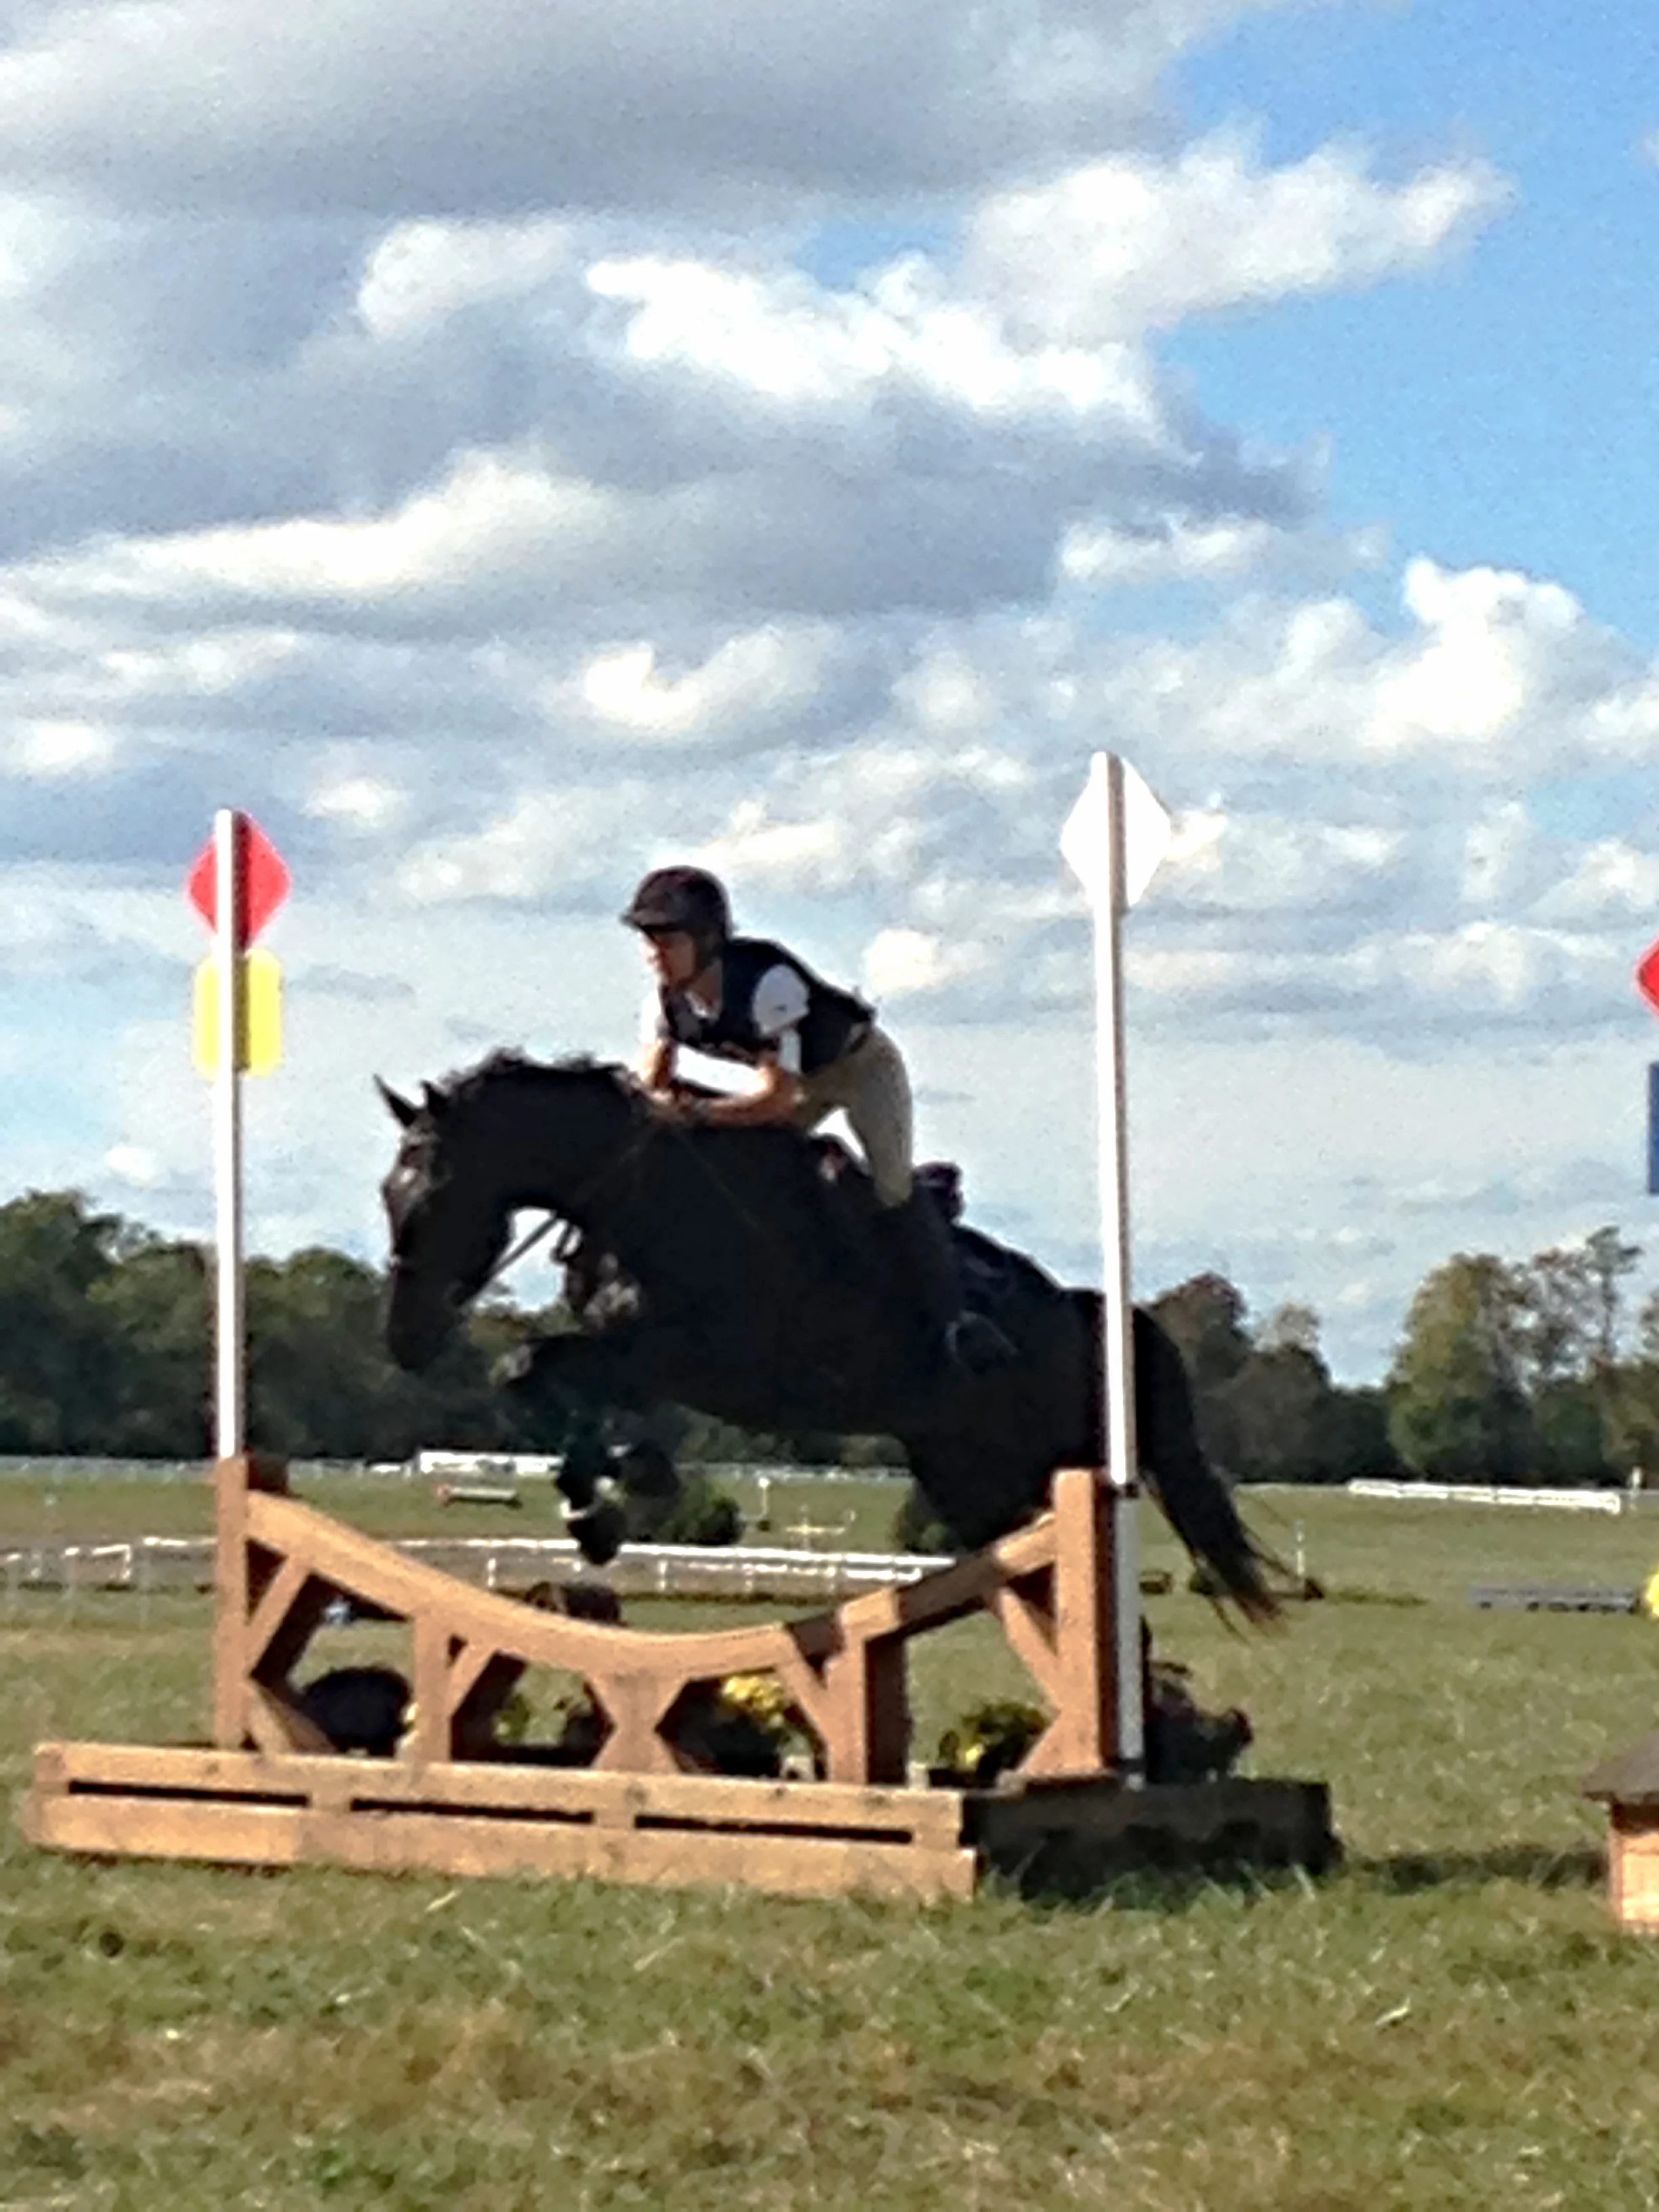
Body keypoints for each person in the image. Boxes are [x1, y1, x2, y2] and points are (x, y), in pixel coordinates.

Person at [622, 865, 1014, 1373]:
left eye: (667, 938)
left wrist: (695, 1111)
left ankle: (955, 1318)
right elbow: (652, 1085)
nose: (654, 951)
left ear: (707, 938)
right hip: (794, 1083)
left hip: (860, 1070)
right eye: (647, 938)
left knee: (890, 1186)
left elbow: (778, 1103)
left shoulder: (767, 983)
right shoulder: (662, 1002)